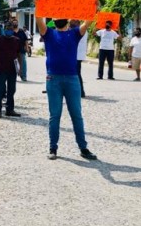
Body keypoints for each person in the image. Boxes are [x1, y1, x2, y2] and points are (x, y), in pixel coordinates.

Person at [36, 16, 97, 160]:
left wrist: (94, 7)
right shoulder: (49, 33)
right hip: (53, 79)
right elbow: (39, 21)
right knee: (54, 115)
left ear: (68, 21)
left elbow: (88, 21)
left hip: (72, 79)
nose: (59, 18)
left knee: (76, 115)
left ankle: (83, 148)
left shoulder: (75, 33)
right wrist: (37, 4)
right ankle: (53, 148)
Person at [0, 22, 22, 119]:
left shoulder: (17, 40)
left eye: (11, 28)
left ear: (13, 29)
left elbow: (19, 54)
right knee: (0, 90)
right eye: (7, 28)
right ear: (4, 29)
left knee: (11, 90)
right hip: (1, 68)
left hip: (12, 69)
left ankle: (10, 110)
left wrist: (20, 68)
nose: (9, 29)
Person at [74, 21, 88, 98]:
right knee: (76, 74)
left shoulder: (80, 31)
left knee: (77, 74)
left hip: (77, 55)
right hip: (77, 55)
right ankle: (79, 91)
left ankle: (81, 92)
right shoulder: (80, 30)